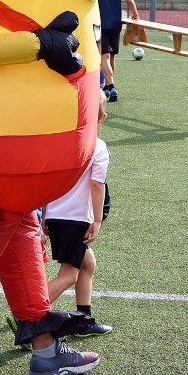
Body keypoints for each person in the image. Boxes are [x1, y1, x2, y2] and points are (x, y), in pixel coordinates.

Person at [39, 89, 112, 336]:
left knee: (88, 264)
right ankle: (29, 318)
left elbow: (50, 182)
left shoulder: (60, 144)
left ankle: (84, 319)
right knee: (69, 274)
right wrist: (98, 219)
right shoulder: (98, 147)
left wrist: (46, 214)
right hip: (77, 218)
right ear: (102, 118)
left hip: (56, 216)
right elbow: (96, 184)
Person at [98, 0, 139, 102]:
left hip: (100, 25)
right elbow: (129, 0)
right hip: (116, 24)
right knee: (112, 56)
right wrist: (135, 16)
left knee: (104, 57)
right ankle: (110, 87)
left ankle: (110, 86)